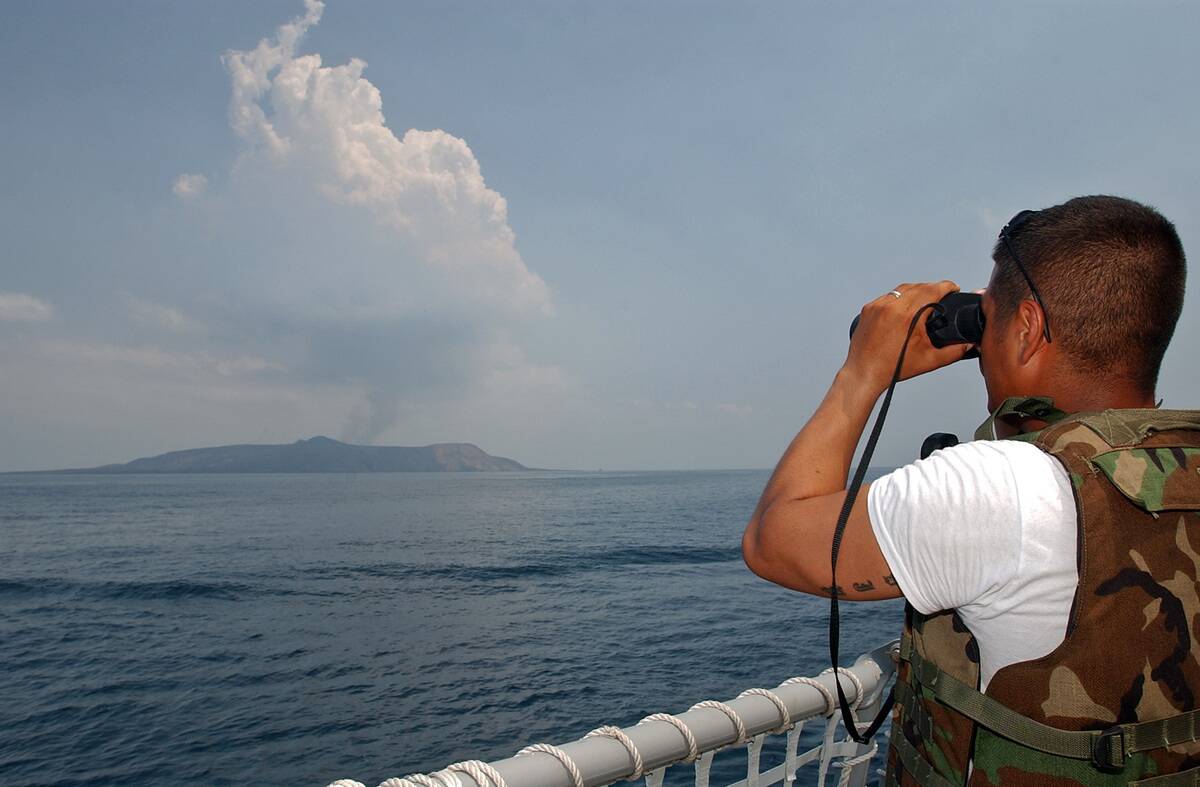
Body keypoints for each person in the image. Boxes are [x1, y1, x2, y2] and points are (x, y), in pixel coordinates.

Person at [741, 195, 1200, 785]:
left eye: (990, 319)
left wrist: (863, 373)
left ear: (1029, 328)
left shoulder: (1004, 488)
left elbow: (772, 539)